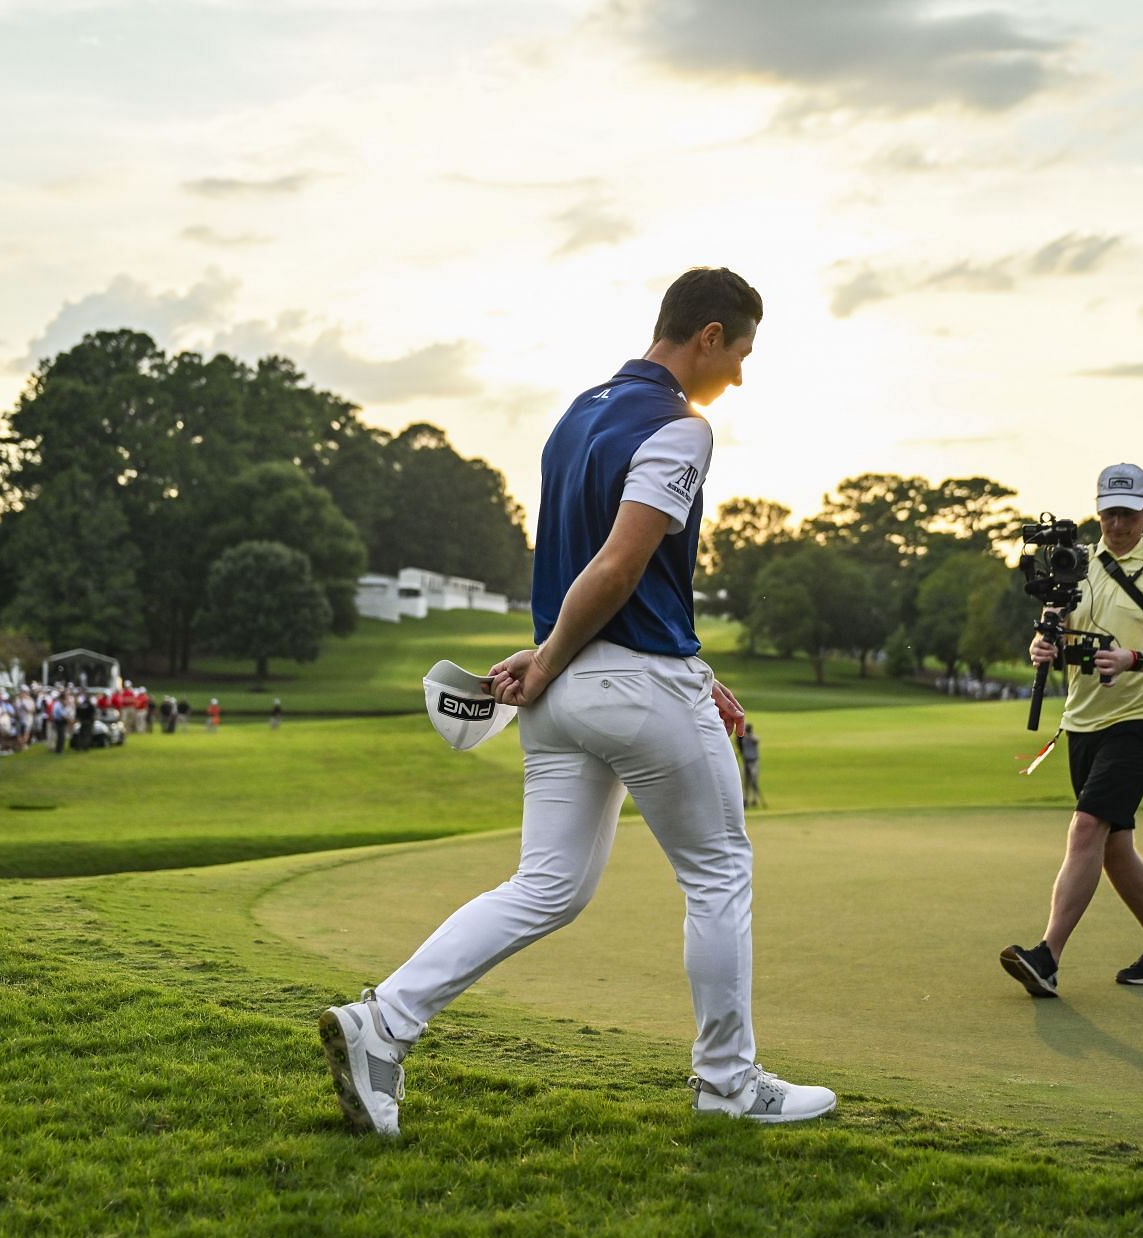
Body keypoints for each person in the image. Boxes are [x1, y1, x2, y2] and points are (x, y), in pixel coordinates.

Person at [319, 267, 835, 1136]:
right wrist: (560, 656)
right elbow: (620, 566)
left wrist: (599, 662)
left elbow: (595, 571)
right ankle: (727, 1084)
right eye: (741, 352)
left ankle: (383, 1022)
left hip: (569, 695)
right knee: (718, 874)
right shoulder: (682, 427)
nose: (740, 375)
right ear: (708, 335)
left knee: (547, 885)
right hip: (618, 681)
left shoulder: (575, 414)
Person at [1001, 463, 1143, 999]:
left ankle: (1047, 956)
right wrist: (1041, 646)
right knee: (1113, 847)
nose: (1118, 523)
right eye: (1110, 512)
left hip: (1140, 717)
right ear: (1098, 512)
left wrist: (1132, 658)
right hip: (1082, 719)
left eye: (1128, 513)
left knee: (1087, 827)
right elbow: (1052, 631)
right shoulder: (1076, 563)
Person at [737, 720, 764, 808]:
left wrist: (747, 735)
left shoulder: (753, 737)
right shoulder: (743, 738)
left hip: (753, 762)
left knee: (753, 781)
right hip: (746, 761)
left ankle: (755, 799)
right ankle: (746, 799)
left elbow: (756, 740)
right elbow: (740, 747)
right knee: (746, 781)